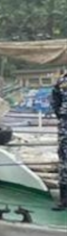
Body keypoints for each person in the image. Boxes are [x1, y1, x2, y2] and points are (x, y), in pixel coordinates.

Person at [53, 69, 67, 211]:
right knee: (64, 161)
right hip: (65, 123)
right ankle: (64, 199)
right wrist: (61, 115)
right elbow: (55, 98)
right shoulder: (62, 80)